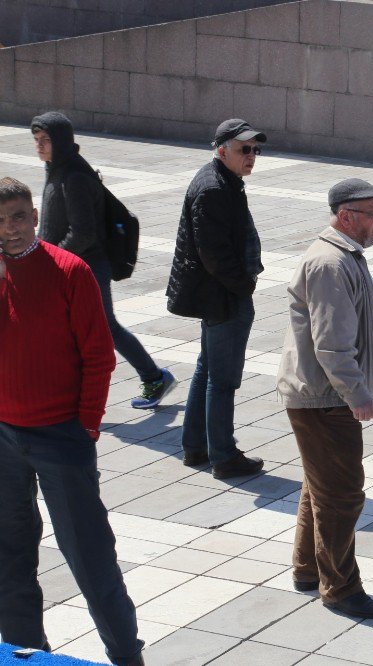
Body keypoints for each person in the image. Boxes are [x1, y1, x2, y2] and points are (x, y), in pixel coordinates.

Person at [0, 177, 145, 666]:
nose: (9, 229)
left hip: (61, 436)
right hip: (3, 438)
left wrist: (85, 426)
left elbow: (99, 356)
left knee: (89, 558)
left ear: (35, 217)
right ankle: (25, 654)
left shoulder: (70, 270)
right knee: (9, 557)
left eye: (18, 217)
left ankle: (126, 656)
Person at [277, 179, 373, 619]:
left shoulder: (344, 256)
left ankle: (308, 569)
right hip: (325, 398)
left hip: (325, 395)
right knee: (342, 494)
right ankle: (340, 588)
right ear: (346, 217)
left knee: (319, 486)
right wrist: (357, 394)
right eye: (372, 216)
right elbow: (330, 344)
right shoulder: (329, 263)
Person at [30, 112, 174, 410]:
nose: (40, 146)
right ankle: (66, 393)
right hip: (70, 265)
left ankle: (154, 377)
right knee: (71, 329)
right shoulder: (57, 169)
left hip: (86, 267)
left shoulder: (75, 177)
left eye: (45, 141)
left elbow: (82, 232)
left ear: (61, 142)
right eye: (37, 140)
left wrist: (53, 259)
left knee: (105, 328)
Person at [166, 119, 267, 479]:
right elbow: (214, 255)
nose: (252, 156)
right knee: (223, 378)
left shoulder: (223, 181)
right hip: (224, 297)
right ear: (222, 150)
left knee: (208, 367)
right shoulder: (213, 188)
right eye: (245, 149)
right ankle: (223, 456)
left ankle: (195, 446)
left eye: (256, 149)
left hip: (221, 295)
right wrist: (243, 286)